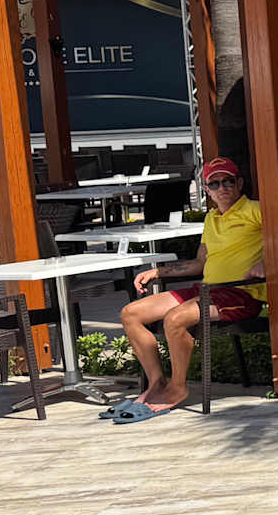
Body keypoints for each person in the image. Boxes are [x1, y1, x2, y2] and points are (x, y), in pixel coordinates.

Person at [109, 158, 265, 422]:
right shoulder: (211, 219)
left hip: (240, 293)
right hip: (206, 290)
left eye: (228, 181)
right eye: (214, 183)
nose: (222, 188)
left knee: (175, 318)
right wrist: (158, 272)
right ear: (207, 190)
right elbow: (200, 263)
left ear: (239, 183)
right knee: (130, 314)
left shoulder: (256, 210)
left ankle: (177, 387)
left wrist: (266, 261)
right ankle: (157, 383)